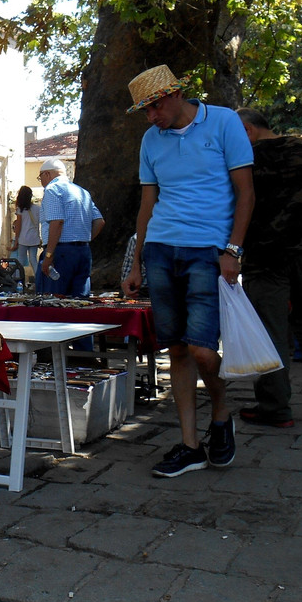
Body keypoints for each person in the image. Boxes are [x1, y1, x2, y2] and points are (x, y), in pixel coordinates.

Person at [121, 64, 253, 478]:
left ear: (176, 95)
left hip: (208, 250)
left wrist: (232, 249)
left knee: (202, 349)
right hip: (161, 248)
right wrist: (137, 259)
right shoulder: (150, 140)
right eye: (144, 111)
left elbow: (245, 192)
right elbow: (147, 203)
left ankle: (220, 412)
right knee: (176, 348)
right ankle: (190, 444)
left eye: (154, 106)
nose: (151, 116)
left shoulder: (225, 122)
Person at [237, 108, 302, 425]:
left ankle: (275, 405)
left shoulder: (244, 159)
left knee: (270, 330)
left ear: (248, 129)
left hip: (264, 255)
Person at [36, 157, 105, 296]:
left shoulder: (52, 189)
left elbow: (57, 222)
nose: (41, 181)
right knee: (80, 301)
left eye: (40, 177)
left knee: (54, 300)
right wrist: (85, 238)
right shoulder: (82, 191)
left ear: (47, 174)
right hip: (83, 251)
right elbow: (99, 222)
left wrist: (49, 255)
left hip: (60, 251)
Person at [9, 185, 41, 273]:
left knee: (20, 261)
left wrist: (16, 241)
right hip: (34, 238)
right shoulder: (37, 208)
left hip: (23, 239)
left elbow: (18, 226)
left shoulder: (20, 210)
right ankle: (39, 280)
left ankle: (18, 280)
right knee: (33, 260)